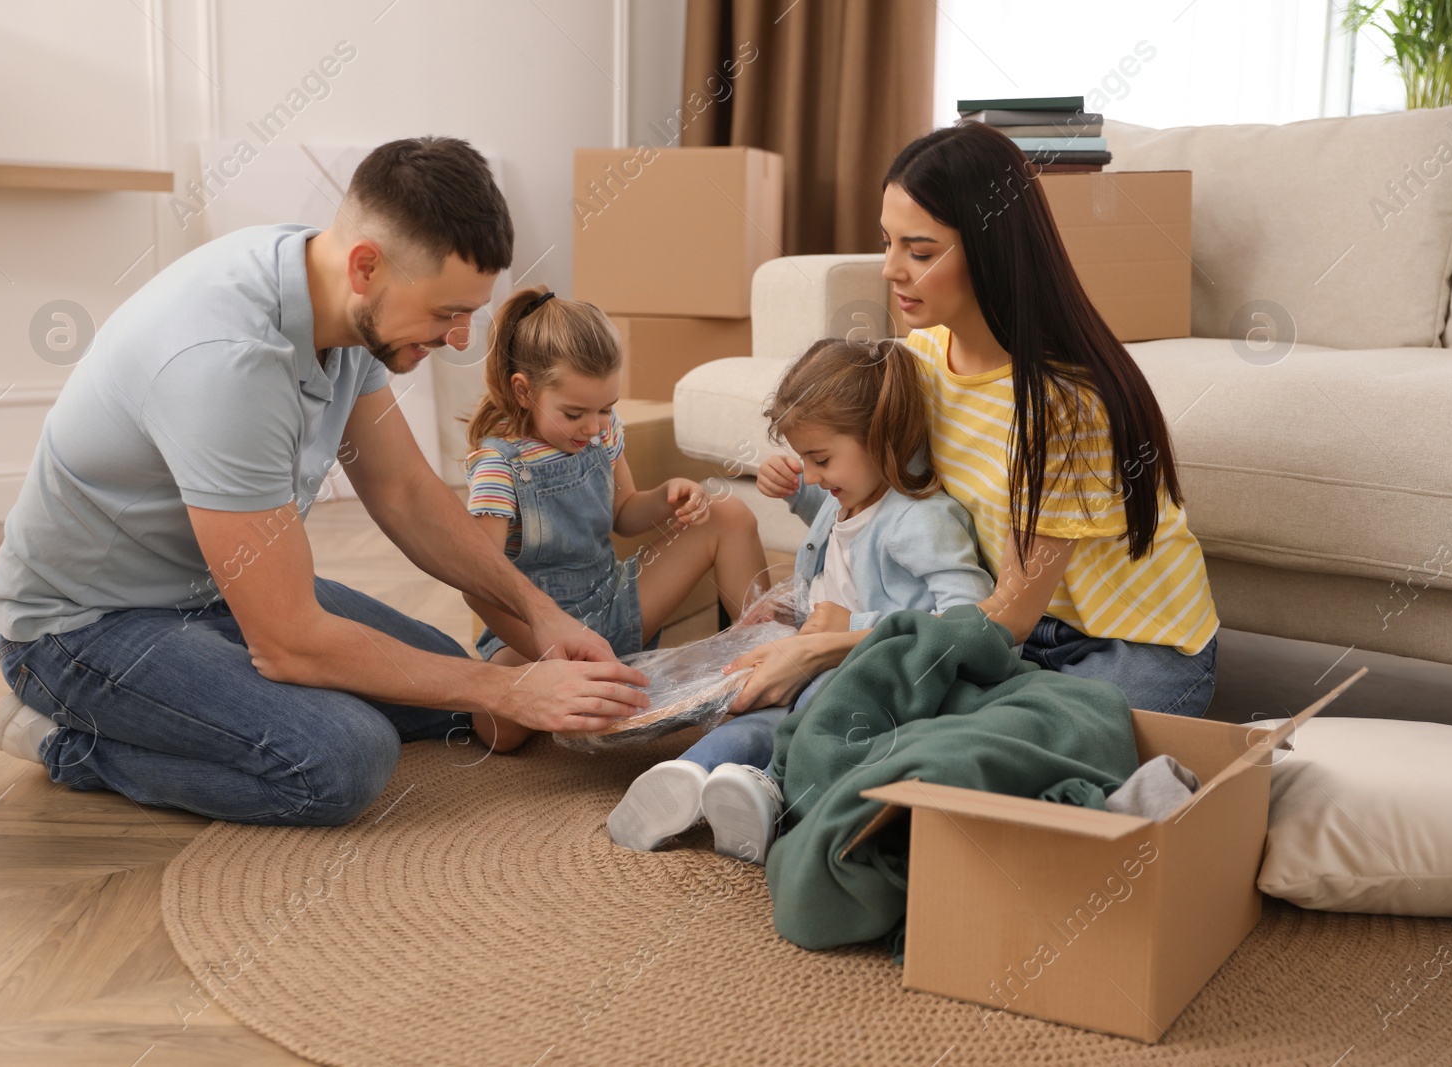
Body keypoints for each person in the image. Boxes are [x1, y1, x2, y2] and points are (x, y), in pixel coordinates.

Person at [0, 137, 650, 827]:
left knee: (454, 686)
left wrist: (543, 619)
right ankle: (64, 740)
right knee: (340, 758)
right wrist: (511, 690)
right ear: (366, 266)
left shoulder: (340, 301)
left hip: (212, 588)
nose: (460, 337)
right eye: (447, 311)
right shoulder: (225, 363)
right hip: (82, 626)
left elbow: (404, 492)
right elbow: (289, 641)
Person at [725, 121, 1220, 721]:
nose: (891, 269)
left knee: (1002, 755)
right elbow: (859, 468)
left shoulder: (1063, 406)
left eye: (921, 251)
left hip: (1127, 646)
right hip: (997, 629)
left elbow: (1010, 613)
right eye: (887, 242)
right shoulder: (922, 362)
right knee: (897, 723)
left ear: (990, 250)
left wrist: (829, 646)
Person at [606, 337, 994, 864]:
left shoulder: (921, 521)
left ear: (882, 440)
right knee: (749, 710)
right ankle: (685, 775)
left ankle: (766, 788)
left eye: (820, 459)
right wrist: (794, 492)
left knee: (812, 712)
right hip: (820, 659)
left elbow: (969, 618)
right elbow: (835, 540)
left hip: (877, 680)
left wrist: (855, 622)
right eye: (803, 459)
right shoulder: (852, 493)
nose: (811, 474)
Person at [461, 286, 769, 753]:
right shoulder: (497, 466)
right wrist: (551, 655)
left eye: (606, 408)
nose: (594, 426)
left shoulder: (603, 434)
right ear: (524, 391)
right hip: (535, 636)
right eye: (575, 413)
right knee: (499, 734)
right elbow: (477, 583)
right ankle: (574, 686)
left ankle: (767, 654)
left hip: (615, 608)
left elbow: (625, 515)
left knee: (727, 512)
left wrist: (667, 498)